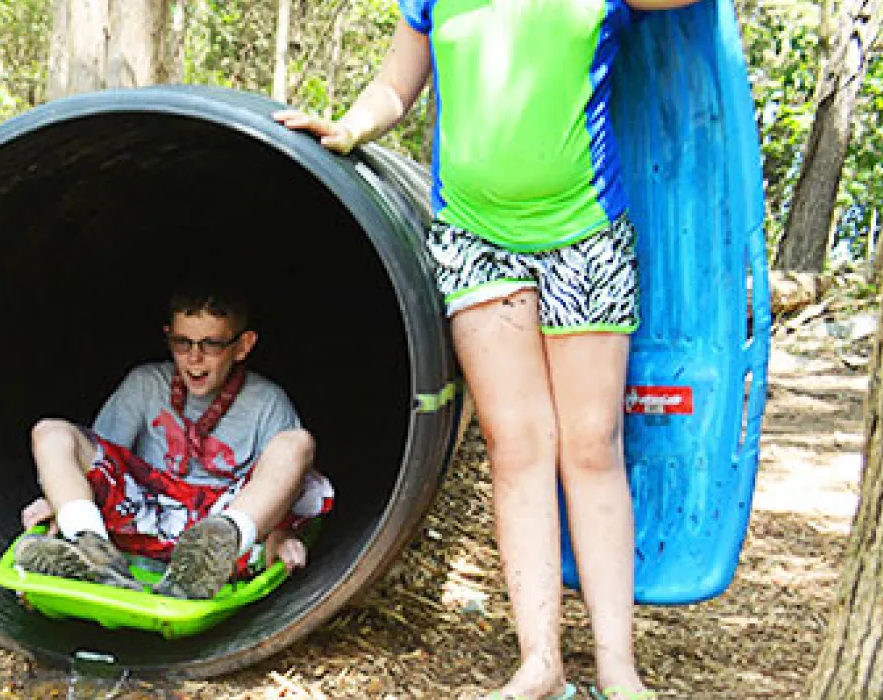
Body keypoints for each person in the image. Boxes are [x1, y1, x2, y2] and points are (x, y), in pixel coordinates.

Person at [271, 0, 701, 696]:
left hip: (584, 230)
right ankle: (540, 665)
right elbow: (396, 86)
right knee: (517, 446)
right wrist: (349, 127)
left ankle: (618, 666)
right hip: (474, 236)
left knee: (591, 444)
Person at [12, 280, 333, 601]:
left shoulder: (267, 402)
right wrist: (62, 500)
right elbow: (96, 462)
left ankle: (216, 548)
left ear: (243, 346)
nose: (194, 358)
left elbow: (284, 483)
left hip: (225, 517)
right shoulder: (145, 384)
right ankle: (91, 550)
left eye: (211, 344)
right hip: (145, 512)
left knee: (297, 443)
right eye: (182, 342)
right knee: (50, 431)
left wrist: (281, 534)